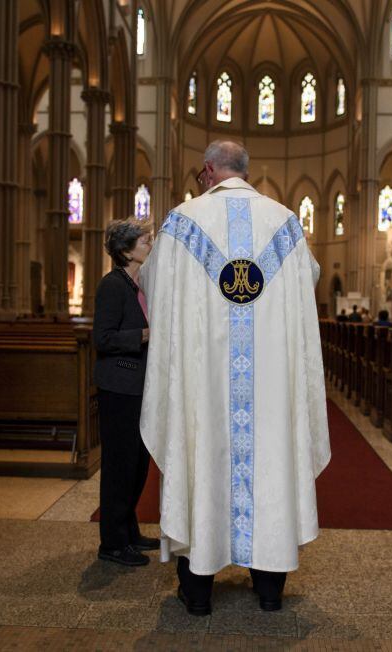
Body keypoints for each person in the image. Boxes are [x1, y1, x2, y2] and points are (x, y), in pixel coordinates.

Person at [140, 140, 331, 616]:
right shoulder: (285, 223)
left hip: (203, 385)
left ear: (208, 172)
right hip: (269, 384)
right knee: (271, 464)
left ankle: (198, 593)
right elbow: (308, 279)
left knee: (200, 460)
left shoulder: (184, 223)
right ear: (245, 172)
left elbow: (151, 282)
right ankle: (269, 590)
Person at [93, 219, 159, 567]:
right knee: (119, 466)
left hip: (139, 387)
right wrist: (144, 335)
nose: (149, 243)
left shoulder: (140, 285)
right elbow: (102, 338)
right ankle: (113, 543)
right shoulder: (112, 286)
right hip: (119, 388)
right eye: (143, 240)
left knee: (137, 464)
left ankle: (129, 530)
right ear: (124, 250)